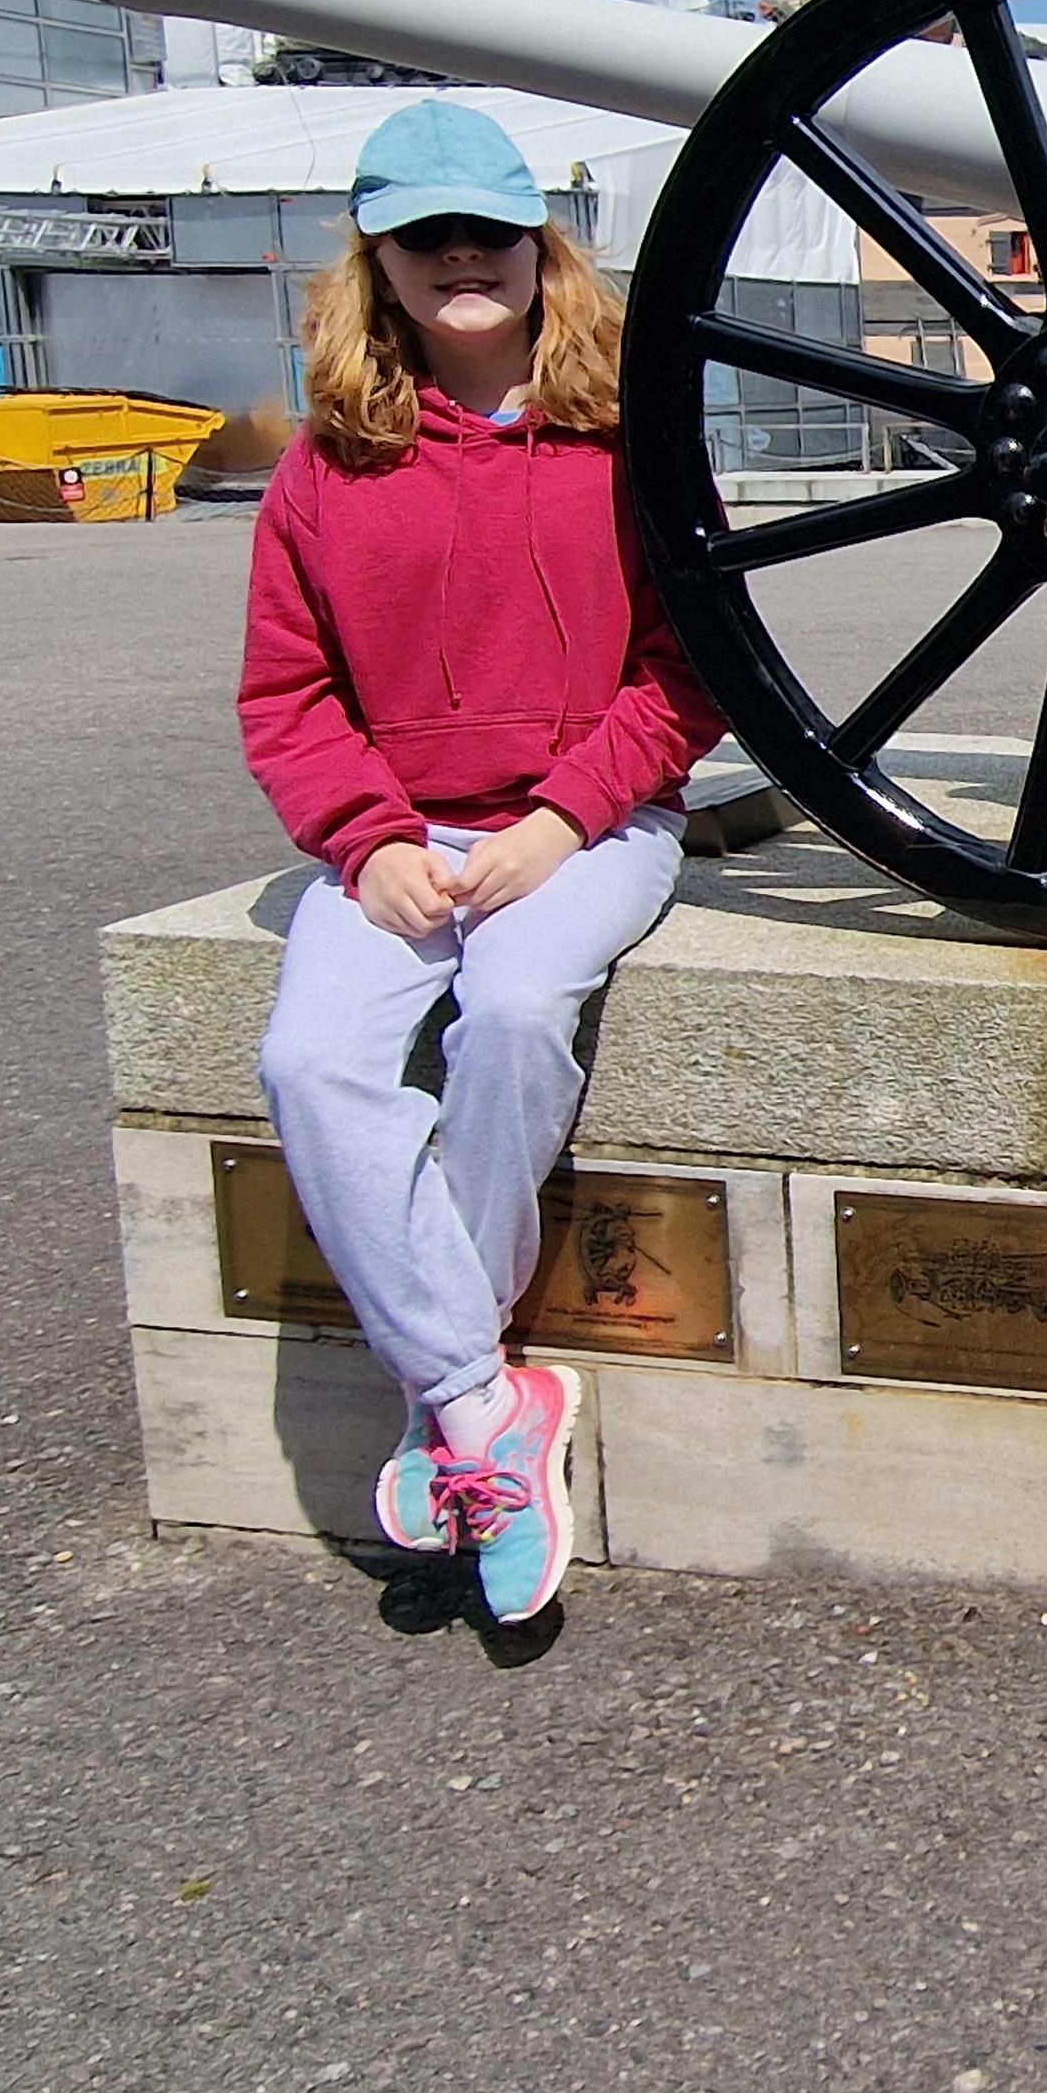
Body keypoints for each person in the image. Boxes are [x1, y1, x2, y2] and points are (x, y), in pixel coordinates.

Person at [239, 100, 720, 1630]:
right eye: (424, 235)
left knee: (513, 1014)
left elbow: (689, 672)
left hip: (587, 825)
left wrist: (563, 820)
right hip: (400, 835)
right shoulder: (324, 468)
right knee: (309, 1061)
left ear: (539, 250)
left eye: (490, 231)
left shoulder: (627, 440)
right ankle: (478, 1399)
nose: (462, 257)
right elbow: (287, 697)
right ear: (376, 264)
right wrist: (368, 839)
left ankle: (448, 1394)